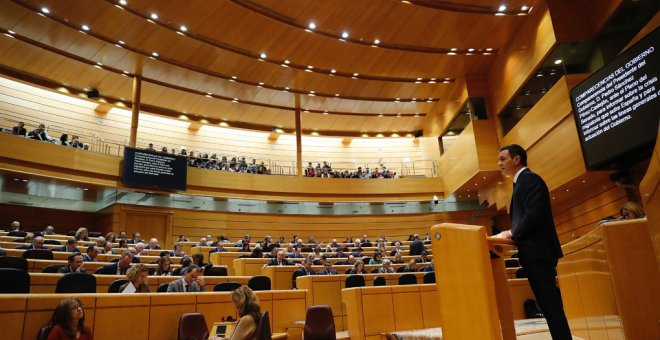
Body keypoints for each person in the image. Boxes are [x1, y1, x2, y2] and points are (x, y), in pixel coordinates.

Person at [493, 144, 571, 339]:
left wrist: (511, 233)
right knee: (548, 306)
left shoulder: (531, 180)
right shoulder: (521, 183)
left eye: (503, 159)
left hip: (539, 253)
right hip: (534, 253)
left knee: (551, 306)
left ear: (516, 159)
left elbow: (533, 216)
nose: (499, 163)